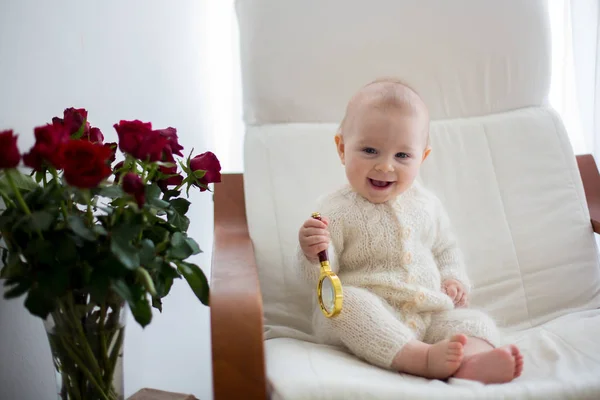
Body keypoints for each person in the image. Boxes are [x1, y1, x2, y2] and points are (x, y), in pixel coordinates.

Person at [295, 78, 523, 383]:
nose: (386, 166)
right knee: (344, 304)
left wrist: (454, 277)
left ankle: (471, 363)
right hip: (371, 317)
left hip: (426, 315)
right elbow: (323, 277)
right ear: (342, 148)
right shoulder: (335, 210)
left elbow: (445, 248)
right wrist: (313, 253)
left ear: (422, 158)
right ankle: (420, 358)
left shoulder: (426, 204)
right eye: (370, 150)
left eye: (402, 156)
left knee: (476, 322)